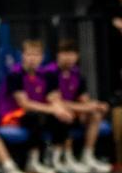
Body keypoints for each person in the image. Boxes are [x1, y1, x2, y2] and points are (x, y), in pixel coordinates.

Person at [46, 39, 112, 172]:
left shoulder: (77, 74)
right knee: (65, 114)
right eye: (65, 53)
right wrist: (86, 108)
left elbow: (84, 99)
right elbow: (57, 103)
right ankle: (63, 158)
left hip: (74, 111)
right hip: (52, 114)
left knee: (96, 114)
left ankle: (87, 156)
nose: (69, 58)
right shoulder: (50, 73)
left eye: (72, 54)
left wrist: (96, 105)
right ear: (58, 55)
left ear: (77, 56)